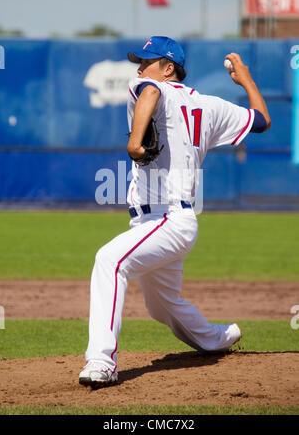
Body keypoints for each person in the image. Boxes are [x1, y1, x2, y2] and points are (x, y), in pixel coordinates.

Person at [79, 36, 271, 389]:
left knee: (110, 261)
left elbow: (149, 90)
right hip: (168, 222)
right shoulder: (210, 106)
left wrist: (135, 143)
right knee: (162, 306)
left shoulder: (152, 87)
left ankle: (101, 361)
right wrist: (244, 79)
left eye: (147, 61)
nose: (139, 68)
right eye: (139, 61)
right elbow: (260, 121)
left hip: (166, 219)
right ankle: (220, 337)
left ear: (169, 69)